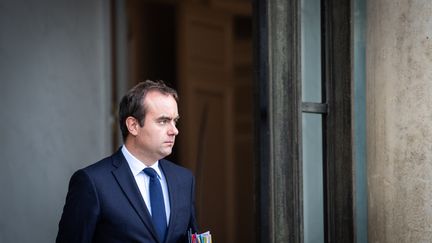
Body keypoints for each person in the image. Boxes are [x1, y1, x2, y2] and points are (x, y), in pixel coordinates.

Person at [57, 80, 198, 243]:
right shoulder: (92, 182)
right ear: (133, 125)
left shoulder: (184, 180)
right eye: (163, 121)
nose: (174, 130)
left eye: (175, 121)